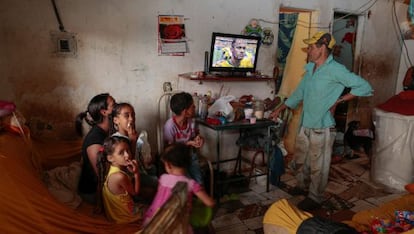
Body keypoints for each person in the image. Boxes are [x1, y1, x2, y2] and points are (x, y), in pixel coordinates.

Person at [269, 31, 373, 212]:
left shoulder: (336, 70)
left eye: (311, 47)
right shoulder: (311, 69)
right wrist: (280, 108)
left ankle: (315, 198)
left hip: (322, 126)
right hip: (305, 123)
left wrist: (339, 100)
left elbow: (364, 87)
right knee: (301, 160)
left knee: (319, 165)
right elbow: (299, 93)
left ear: (323, 48)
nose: (308, 50)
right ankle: (302, 186)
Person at [143, 143, 215, 229]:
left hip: (152, 221)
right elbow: (210, 203)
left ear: (168, 165)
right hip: (175, 226)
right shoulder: (191, 184)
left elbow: (160, 195)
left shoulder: (163, 179)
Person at [111, 102, 157, 200]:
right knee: (157, 183)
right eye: (126, 115)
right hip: (128, 179)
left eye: (133, 115)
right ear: (116, 120)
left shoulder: (130, 135)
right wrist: (132, 141)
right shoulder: (116, 140)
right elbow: (127, 162)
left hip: (137, 171)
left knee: (156, 171)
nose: (131, 119)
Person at [75, 93, 116, 204]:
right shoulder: (95, 141)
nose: (117, 108)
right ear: (104, 112)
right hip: (92, 192)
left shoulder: (109, 131)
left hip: (111, 182)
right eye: (114, 105)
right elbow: (103, 176)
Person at [96, 136, 146, 224]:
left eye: (128, 150)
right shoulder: (120, 176)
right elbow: (135, 193)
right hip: (124, 218)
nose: (127, 155)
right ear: (110, 158)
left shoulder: (110, 169)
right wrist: (136, 173)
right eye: (121, 153)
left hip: (116, 215)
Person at [163, 92, 204, 185]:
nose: (195, 107)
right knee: (187, 183)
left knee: (199, 182)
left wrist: (199, 139)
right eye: (192, 106)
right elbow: (168, 150)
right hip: (176, 160)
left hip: (190, 156)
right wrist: (187, 144)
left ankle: (198, 197)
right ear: (185, 112)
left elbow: (196, 135)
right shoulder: (170, 126)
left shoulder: (192, 122)